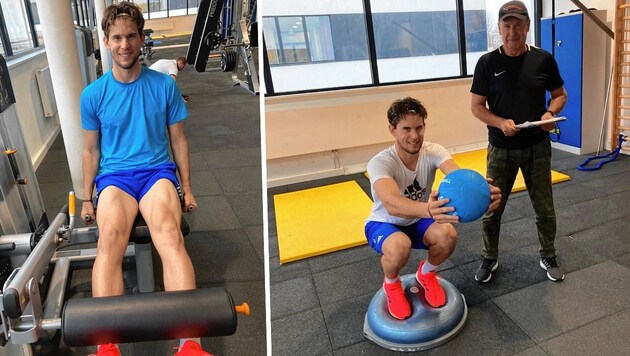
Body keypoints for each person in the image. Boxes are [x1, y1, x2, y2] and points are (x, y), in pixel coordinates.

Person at [80, 2, 208, 355]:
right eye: (117, 37)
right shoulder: (93, 95)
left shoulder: (163, 86)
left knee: (169, 236)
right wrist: (87, 197)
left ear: (141, 39)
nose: (125, 45)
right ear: (106, 41)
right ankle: (107, 345)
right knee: (109, 241)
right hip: (116, 179)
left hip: (156, 174)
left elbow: (178, 140)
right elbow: (91, 151)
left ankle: (190, 344)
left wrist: (189, 190)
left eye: (131, 36)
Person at [365, 97, 501, 319]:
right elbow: (391, 203)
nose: (414, 135)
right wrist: (429, 210)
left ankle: (426, 274)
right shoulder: (381, 162)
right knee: (400, 246)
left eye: (419, 127)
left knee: (447, 234)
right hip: (384, 223)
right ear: (392, 129)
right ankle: (391, 284)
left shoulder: (433, 151)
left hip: (418, 219)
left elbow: (458, 178)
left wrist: (483, 195)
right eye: (406, 129)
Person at [470, 0, 568, 283]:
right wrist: (500, 122)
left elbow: (560, 94)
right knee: (491, 207)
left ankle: (548, 254)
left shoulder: (543, 59)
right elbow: (477, 107)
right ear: (499, 28)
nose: (512, 31)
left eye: (518, 25)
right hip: (501, 149)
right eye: (507, 25)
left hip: (537, 146)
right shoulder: (487, 63)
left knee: (544, 206)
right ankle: (489, 258)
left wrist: (551, 112)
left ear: (527, 26)